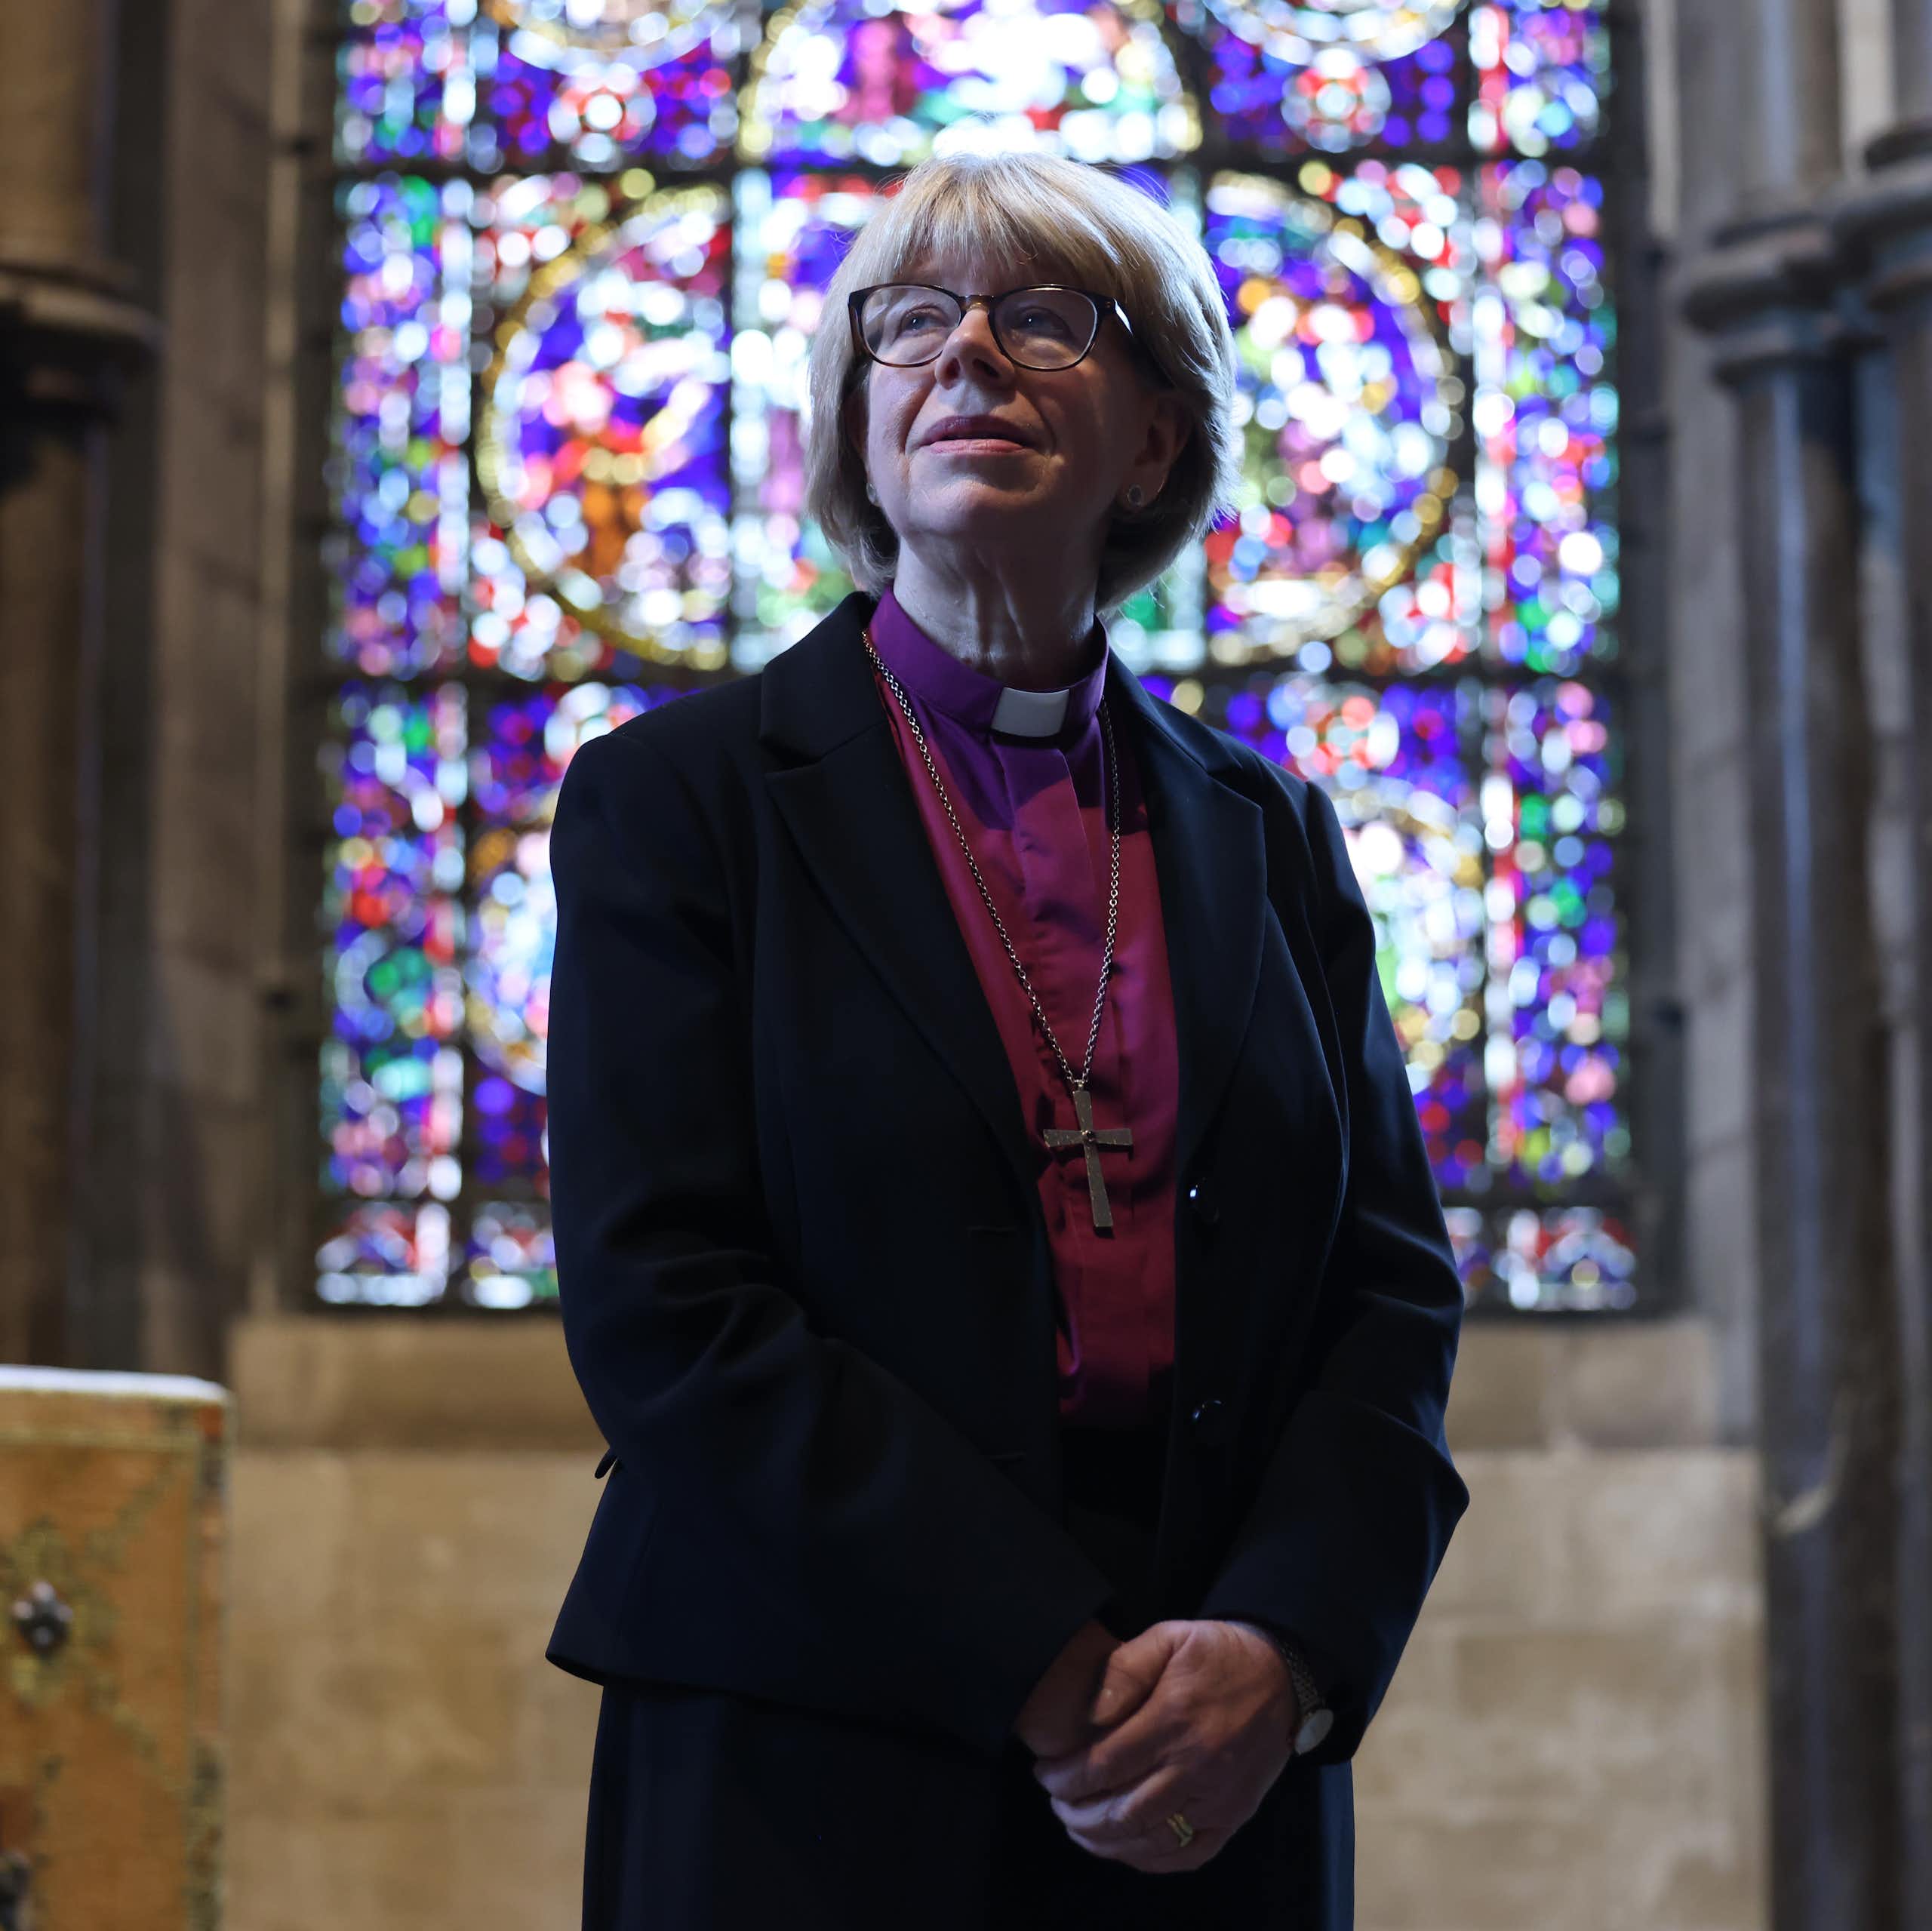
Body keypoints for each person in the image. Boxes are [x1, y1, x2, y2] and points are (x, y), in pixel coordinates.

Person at [543, 148, 1469, 1930]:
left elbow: (1385, 1292)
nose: (965, 354)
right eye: (909, 324)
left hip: (1206, 1748)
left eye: (1042, 318)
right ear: (856, 424)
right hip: (805, 1735)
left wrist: (1281, 1644)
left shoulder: (1266, 831)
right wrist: (1040, 1659)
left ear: (1149, 440)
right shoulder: (681, 803)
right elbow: (668, 1304)